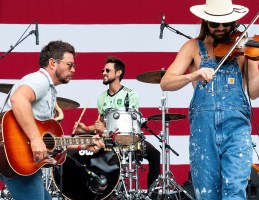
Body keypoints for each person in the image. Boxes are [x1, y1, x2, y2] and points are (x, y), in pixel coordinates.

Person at [160, 0, 259, 199]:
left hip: (236, 129)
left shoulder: (244, 48)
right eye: (215, 24)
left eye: (226, 23)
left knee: (235, 190)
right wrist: (192, 76)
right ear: (206, 21)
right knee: (207, 192)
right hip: (204, 129)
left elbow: (254, 91)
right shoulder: (192, 47)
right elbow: (166, 82)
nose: (221, 28)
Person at [0, 40, 105, 200]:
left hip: (19, 159)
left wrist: (83, 144)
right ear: (52, 63)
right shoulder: (40, 80)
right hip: (18, 157)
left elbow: (50, 141)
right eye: (69, 65)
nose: (74, 70)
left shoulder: (48, 89)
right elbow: (18, 99)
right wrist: (35, 139)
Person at [74, 56, 161, 189]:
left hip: (127, 138)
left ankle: (153, 194)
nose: (103, 73)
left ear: (118, 73)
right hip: (108, 140)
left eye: (107, 70)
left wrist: (104, 129)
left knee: (155, 155)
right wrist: (86, 129)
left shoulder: (130, 94)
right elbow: (101, 123)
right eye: (103, 70)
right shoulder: (101, 97)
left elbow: (129, 122)